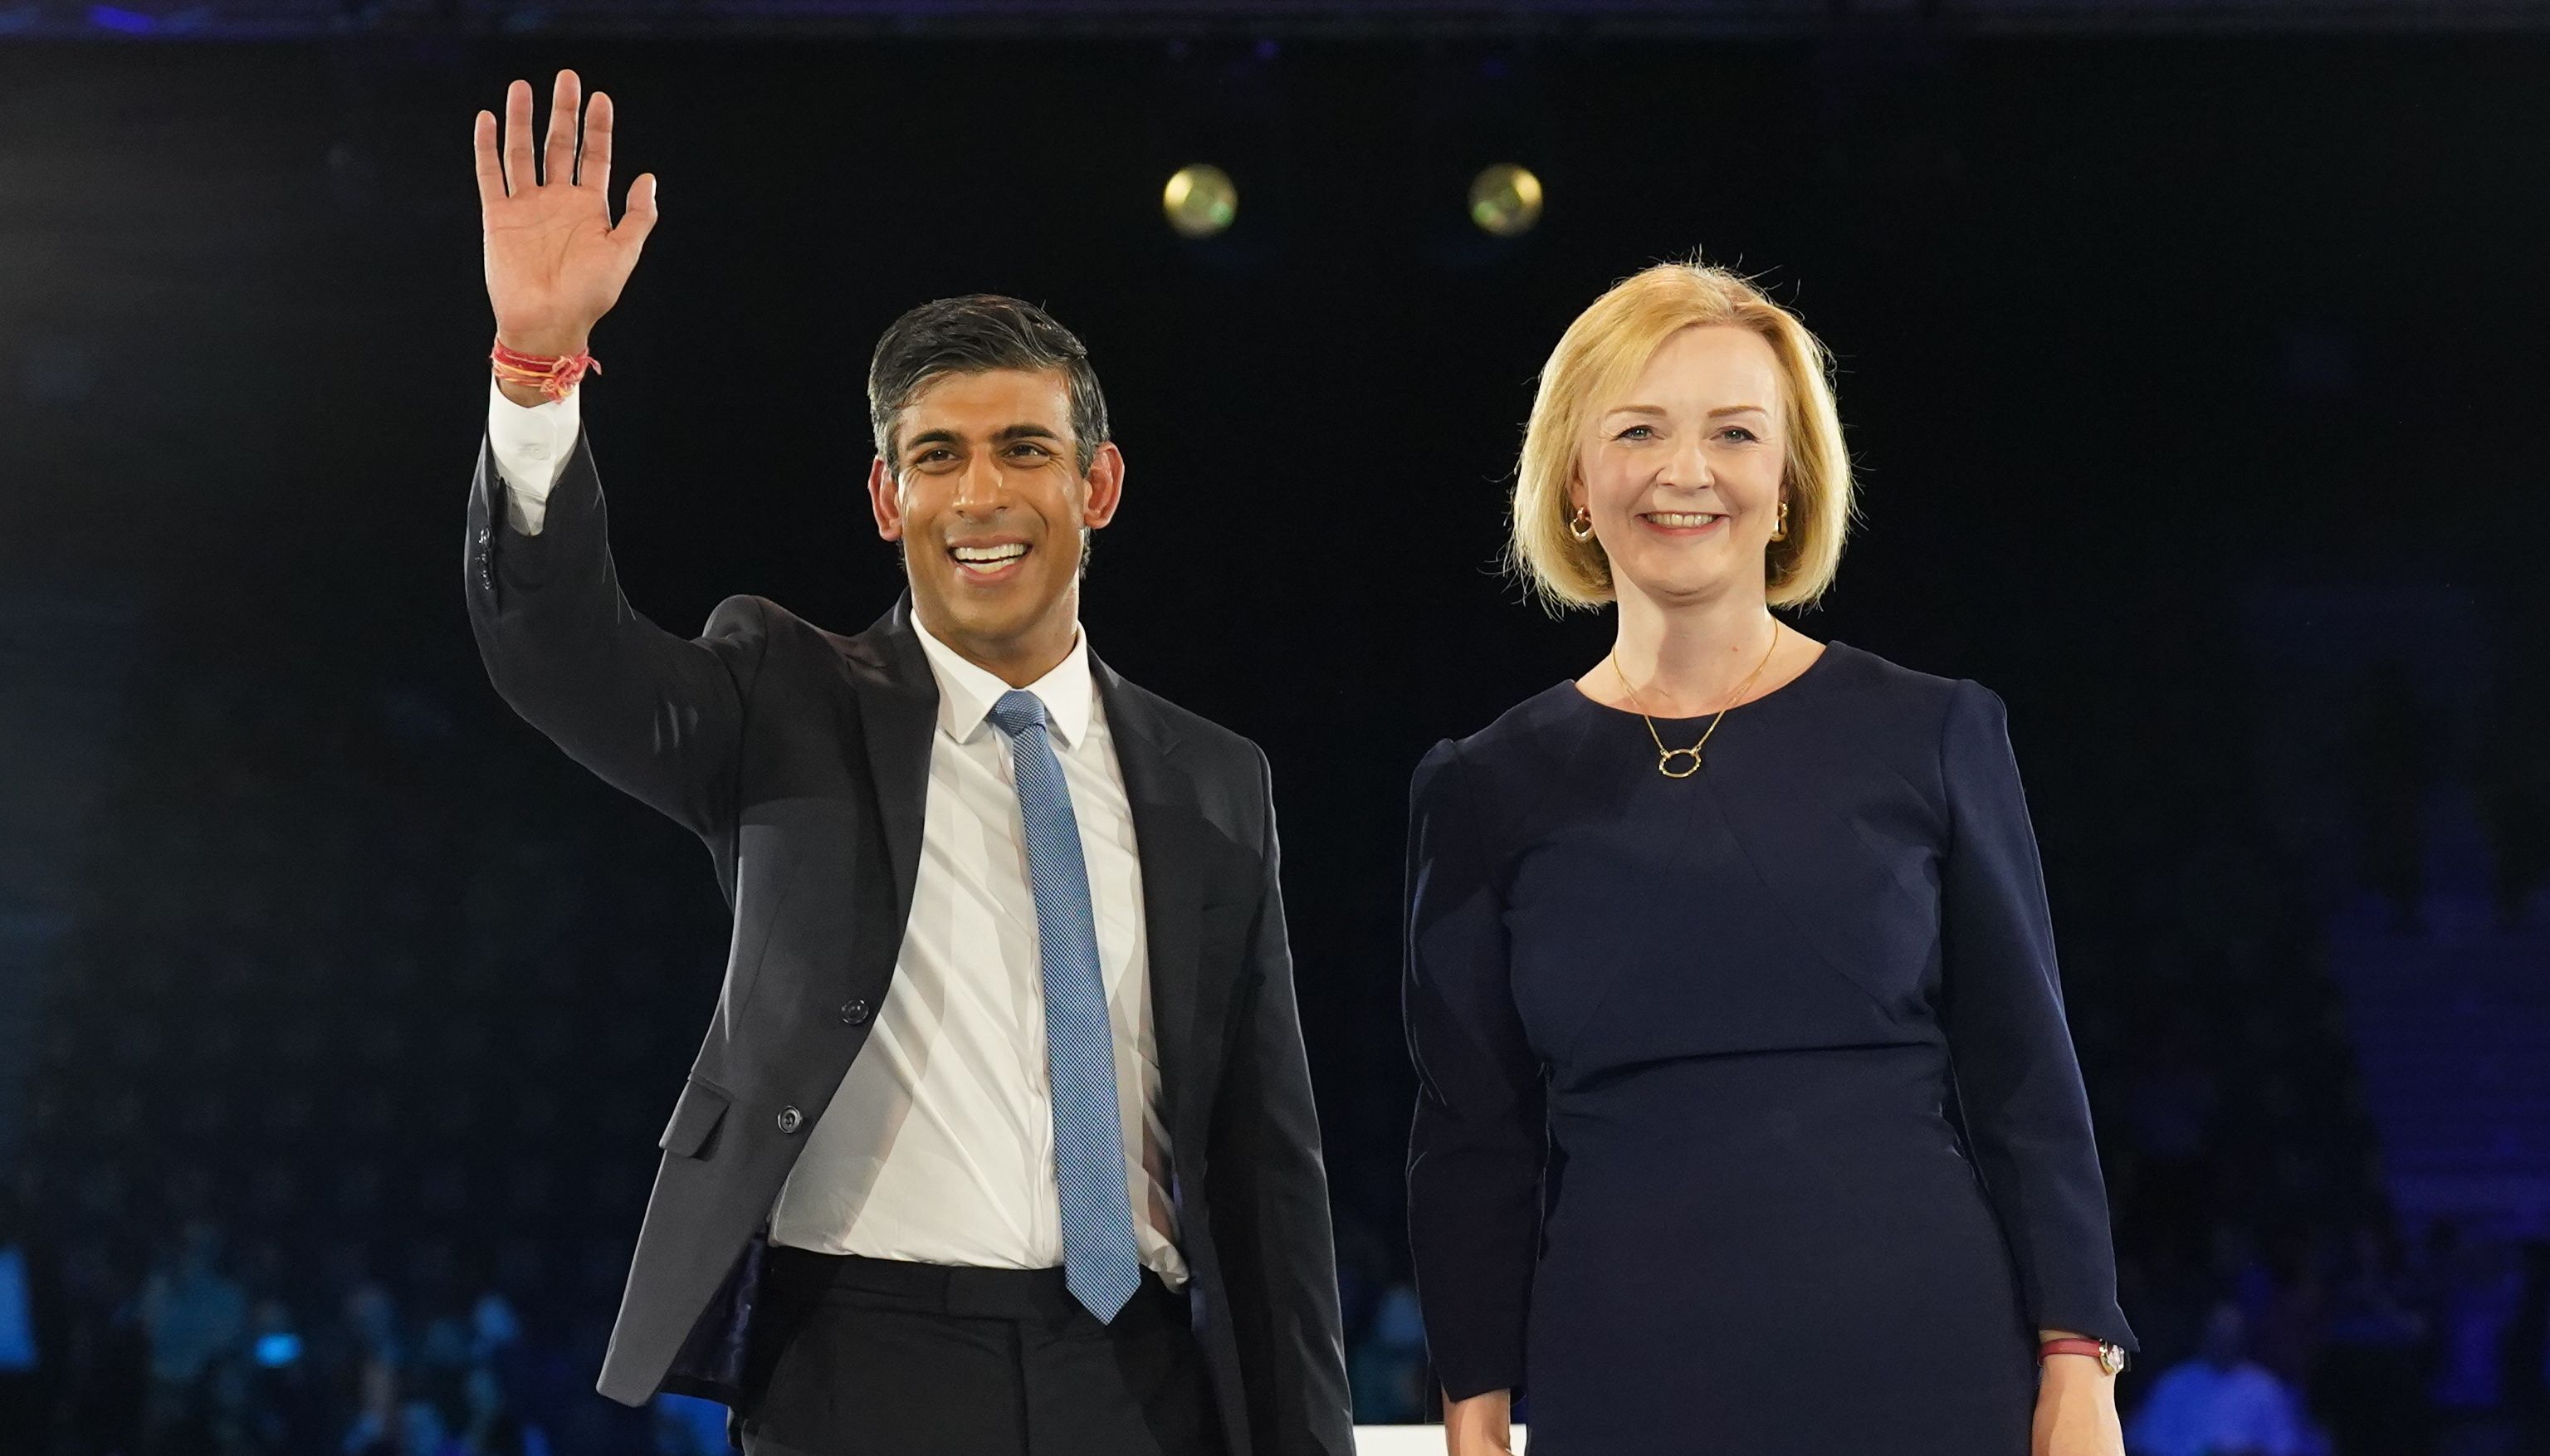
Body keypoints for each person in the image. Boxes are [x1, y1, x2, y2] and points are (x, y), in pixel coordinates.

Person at [462, 71, 1351, 1456]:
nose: (980, 495)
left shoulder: (1214, 775)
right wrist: (536, 372)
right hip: (860, 1362)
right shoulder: (785, 691)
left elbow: (1264, 1159)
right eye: (935, 456)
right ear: (887, 498)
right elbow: (560, 653)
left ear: (1095, 487)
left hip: (1142, 1374)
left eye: (1021, 450)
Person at [1401, 261, 2137, 1456]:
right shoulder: (1482, 784)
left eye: (1734, 433)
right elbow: (1471, 1130)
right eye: (1638, 429)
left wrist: (2077, 1356)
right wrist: (1474, 1396)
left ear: (1788, 483)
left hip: (1927, 1360)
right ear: (1576, 479)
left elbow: (2027, 1074)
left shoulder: (1935, 729)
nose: (1684, 471)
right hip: (1626, 1370)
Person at [2126, 1302, 2314, 1456]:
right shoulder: (2175, 1383)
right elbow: (2151, 1443)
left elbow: (2285, 1445)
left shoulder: (2264, 1388)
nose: (2224, 1341)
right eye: (2219, 1334)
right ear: (2206, 1334)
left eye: (2231, 1335)